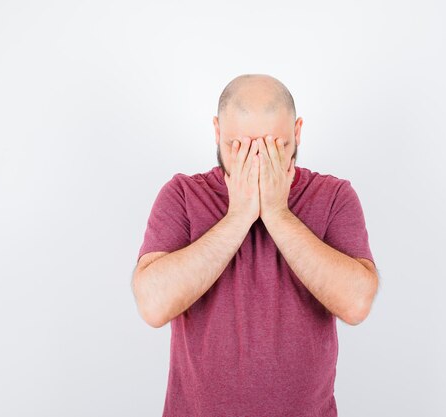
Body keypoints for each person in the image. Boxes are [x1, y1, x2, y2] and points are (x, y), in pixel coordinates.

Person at [131, 73, 379, 416]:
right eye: (240, 147)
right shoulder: (183, 195)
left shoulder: (334, 196)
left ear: (297, 132)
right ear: (217, 132)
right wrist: (238, 217)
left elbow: (356, 304)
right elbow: (153, 305)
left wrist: (277, 213)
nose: (258, 162)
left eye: (276, 146)